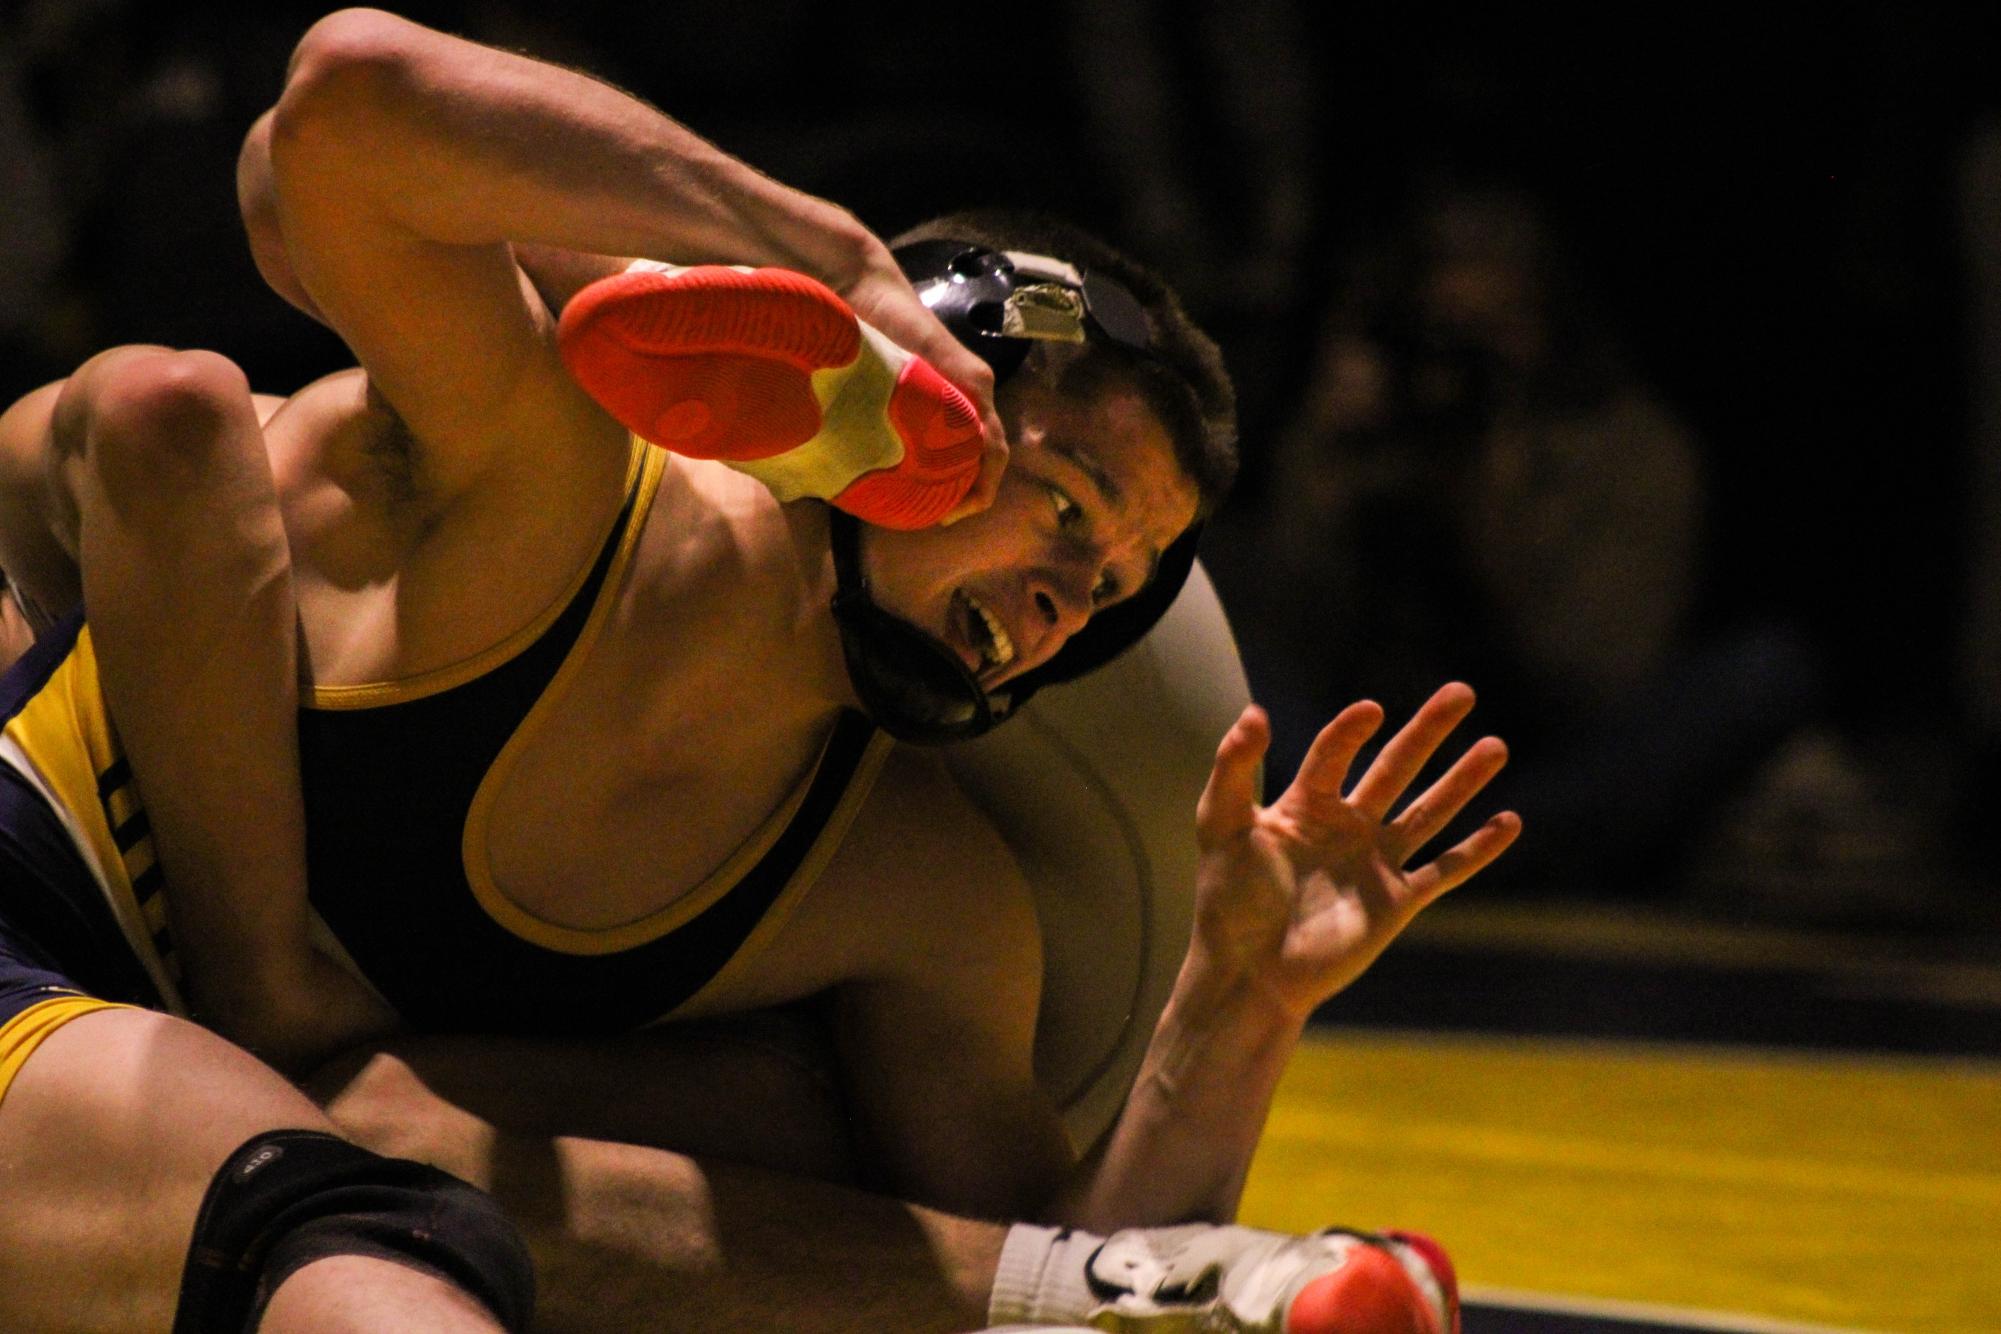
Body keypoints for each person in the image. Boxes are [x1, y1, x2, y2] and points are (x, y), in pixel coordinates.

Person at [0, 9, 1519, 1331]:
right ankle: (264, 998)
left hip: (196, 1120)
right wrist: (820, 253)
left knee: (741, 1122)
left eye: (1110, 589)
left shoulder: (904, 888)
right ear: (922, 384)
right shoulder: (553, 469)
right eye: (1065, 507)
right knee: (156, 410)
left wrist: (1235, 1008)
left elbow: (1026, 1258)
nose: (1069, 599)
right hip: (47, 931)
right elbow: (341, 105)